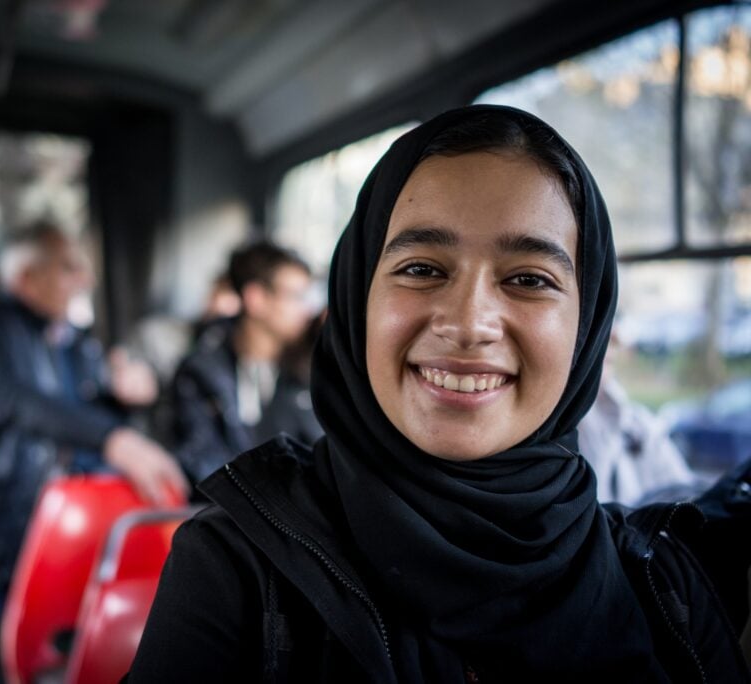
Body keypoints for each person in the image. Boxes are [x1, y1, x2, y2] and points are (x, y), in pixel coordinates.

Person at [128, 106, 751, 681]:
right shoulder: (236, 571)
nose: (469, 322)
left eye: (530, 278)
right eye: (422, 269)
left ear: (588, 328)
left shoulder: (664, 585)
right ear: (356, 300)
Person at [0, 221, 188, 602]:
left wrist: (124, 393)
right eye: (67, 268)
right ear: (26, 277)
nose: (83, 279)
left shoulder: (63, 335)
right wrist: (113, 441)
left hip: (50, 514)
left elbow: (77, 405)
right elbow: (9, 399)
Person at [170, 240, 321, 485]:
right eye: (297, 296)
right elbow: (202, 462)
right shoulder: (201, 372)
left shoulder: (311, 367)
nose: (307, 309)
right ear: (256, 298)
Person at [578, 327, 702, 505]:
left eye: (617, 315)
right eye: (597, 307)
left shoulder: (638, 426)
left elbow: (688, 501)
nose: (616, 336)